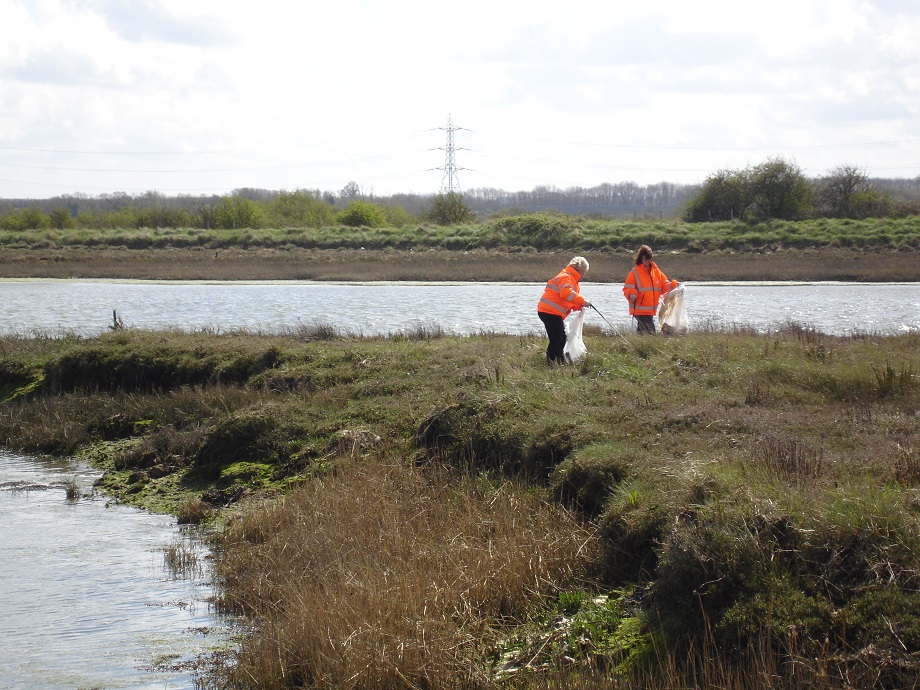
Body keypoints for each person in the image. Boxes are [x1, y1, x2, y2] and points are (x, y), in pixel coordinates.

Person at [537, 256, 592, 364]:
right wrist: (582, 301)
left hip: (550, 312)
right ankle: (551, 362)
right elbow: (566, 293)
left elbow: (567, 300)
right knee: (557, 338)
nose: (583, 274)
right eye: (583, 272)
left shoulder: (571, 280)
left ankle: (559, 361)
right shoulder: (566, 277)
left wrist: (578, 306)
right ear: (578, 269)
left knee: (561, 338)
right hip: (549, 312)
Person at [623, 245, 678, 334]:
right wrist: (631, 294)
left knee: (643, 333)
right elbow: (627, 288)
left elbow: (664, 286)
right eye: (645, 259)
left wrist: (674, 285)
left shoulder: (656, 272)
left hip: (650, 311)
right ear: (641, 258)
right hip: (639, 310)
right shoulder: (634, 272)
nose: (647, 262)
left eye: (649, 259)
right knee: (650, 332)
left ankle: (638, 346)